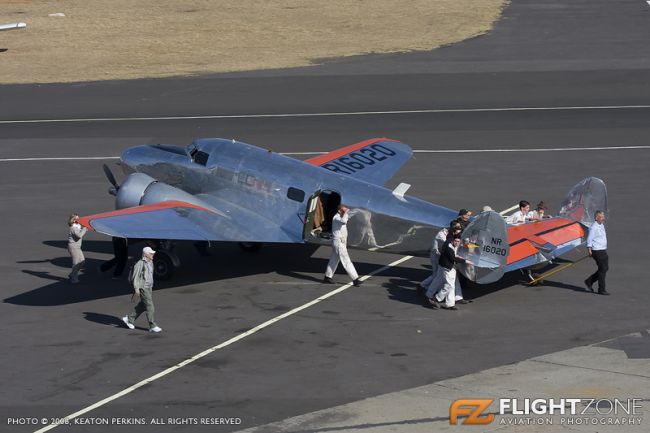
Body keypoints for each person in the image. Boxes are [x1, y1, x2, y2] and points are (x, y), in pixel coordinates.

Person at [122, 246, 162, 332]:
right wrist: (137, 289)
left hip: (149, 287)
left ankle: (129, 319)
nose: (153, 254)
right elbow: (135, 277)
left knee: (143, 305)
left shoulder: (150, 262)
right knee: (150, 306)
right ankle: (152, 325)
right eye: (151, 253)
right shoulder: (140, 263)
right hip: (143, 287)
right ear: (146, 254)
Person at [324, 205, 362, 287]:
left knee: (334, 260)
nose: (345, 212)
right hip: (339, 243)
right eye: (343, 210)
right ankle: (355, 279)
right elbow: (344, 221)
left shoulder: (342, 216)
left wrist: (358, 209)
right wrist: (345, 212)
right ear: (339, 211)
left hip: (340, 242)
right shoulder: (337, 218)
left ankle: (327, 276)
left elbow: (349, 215)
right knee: (346, 261)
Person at [431, 234, 466, 310]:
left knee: (452, 286)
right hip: (446, 268)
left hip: (450, 268)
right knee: (449, 285)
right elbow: (453, 258)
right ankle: (436, 298)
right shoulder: (449, 247)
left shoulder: (453, 246)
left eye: (458, 241)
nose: (457, 243)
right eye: (456, 241)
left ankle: (450, 304)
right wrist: (465, 260)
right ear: (452, 240)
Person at [584, 210, 609, 295]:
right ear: (596, 218)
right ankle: (601, 289)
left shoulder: (601, 225)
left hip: (603, 250)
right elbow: (589, 239)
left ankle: (589, 281)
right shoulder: (593, 227)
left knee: (605, 268)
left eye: (603, 217)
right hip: (597, 251)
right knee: (603, 269)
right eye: (602, 217)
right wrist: (589, 250)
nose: (603, 219)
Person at [67, 213, 87, 284]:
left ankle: (72, 274)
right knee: (75, 263)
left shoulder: (77, 227)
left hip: (77, 247)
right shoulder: (73, 228)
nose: (78, 220)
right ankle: (74, 278)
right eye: (77, 219)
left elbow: (81, 232)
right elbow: (79, 235)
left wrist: (84, 228)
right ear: (73, 220)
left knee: (82, 261)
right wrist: (85, 228)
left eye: (79, 219)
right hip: (73, 247)